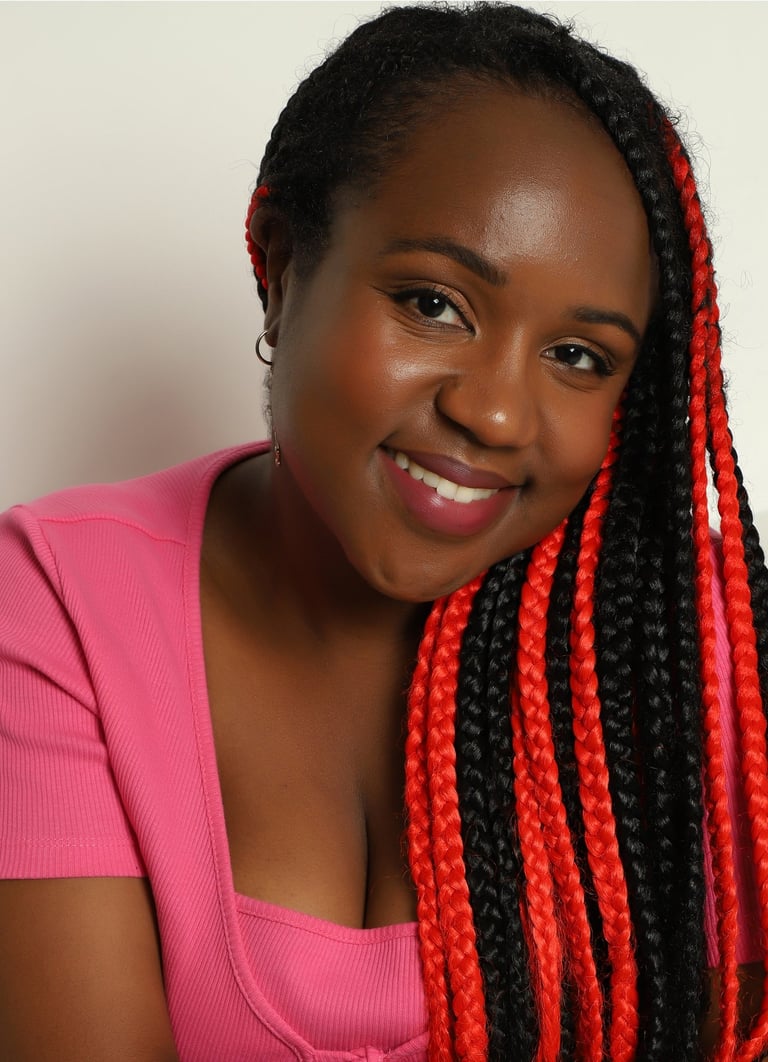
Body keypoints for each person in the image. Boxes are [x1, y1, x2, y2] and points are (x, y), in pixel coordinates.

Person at [0, 3, 766, 1059]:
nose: (495, 415)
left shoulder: (685, 652)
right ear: (279, 264)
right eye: (434, 302)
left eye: (580, 357)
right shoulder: (59, 603)